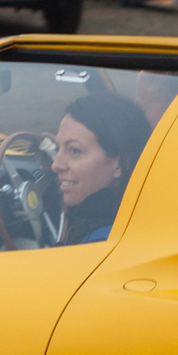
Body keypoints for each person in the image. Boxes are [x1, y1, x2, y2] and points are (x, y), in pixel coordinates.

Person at [51, 89, 150, 245]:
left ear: (120, 164)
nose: (56, 165)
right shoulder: (144, 221)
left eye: (74, 151)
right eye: (57, 149)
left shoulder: (105, 245)